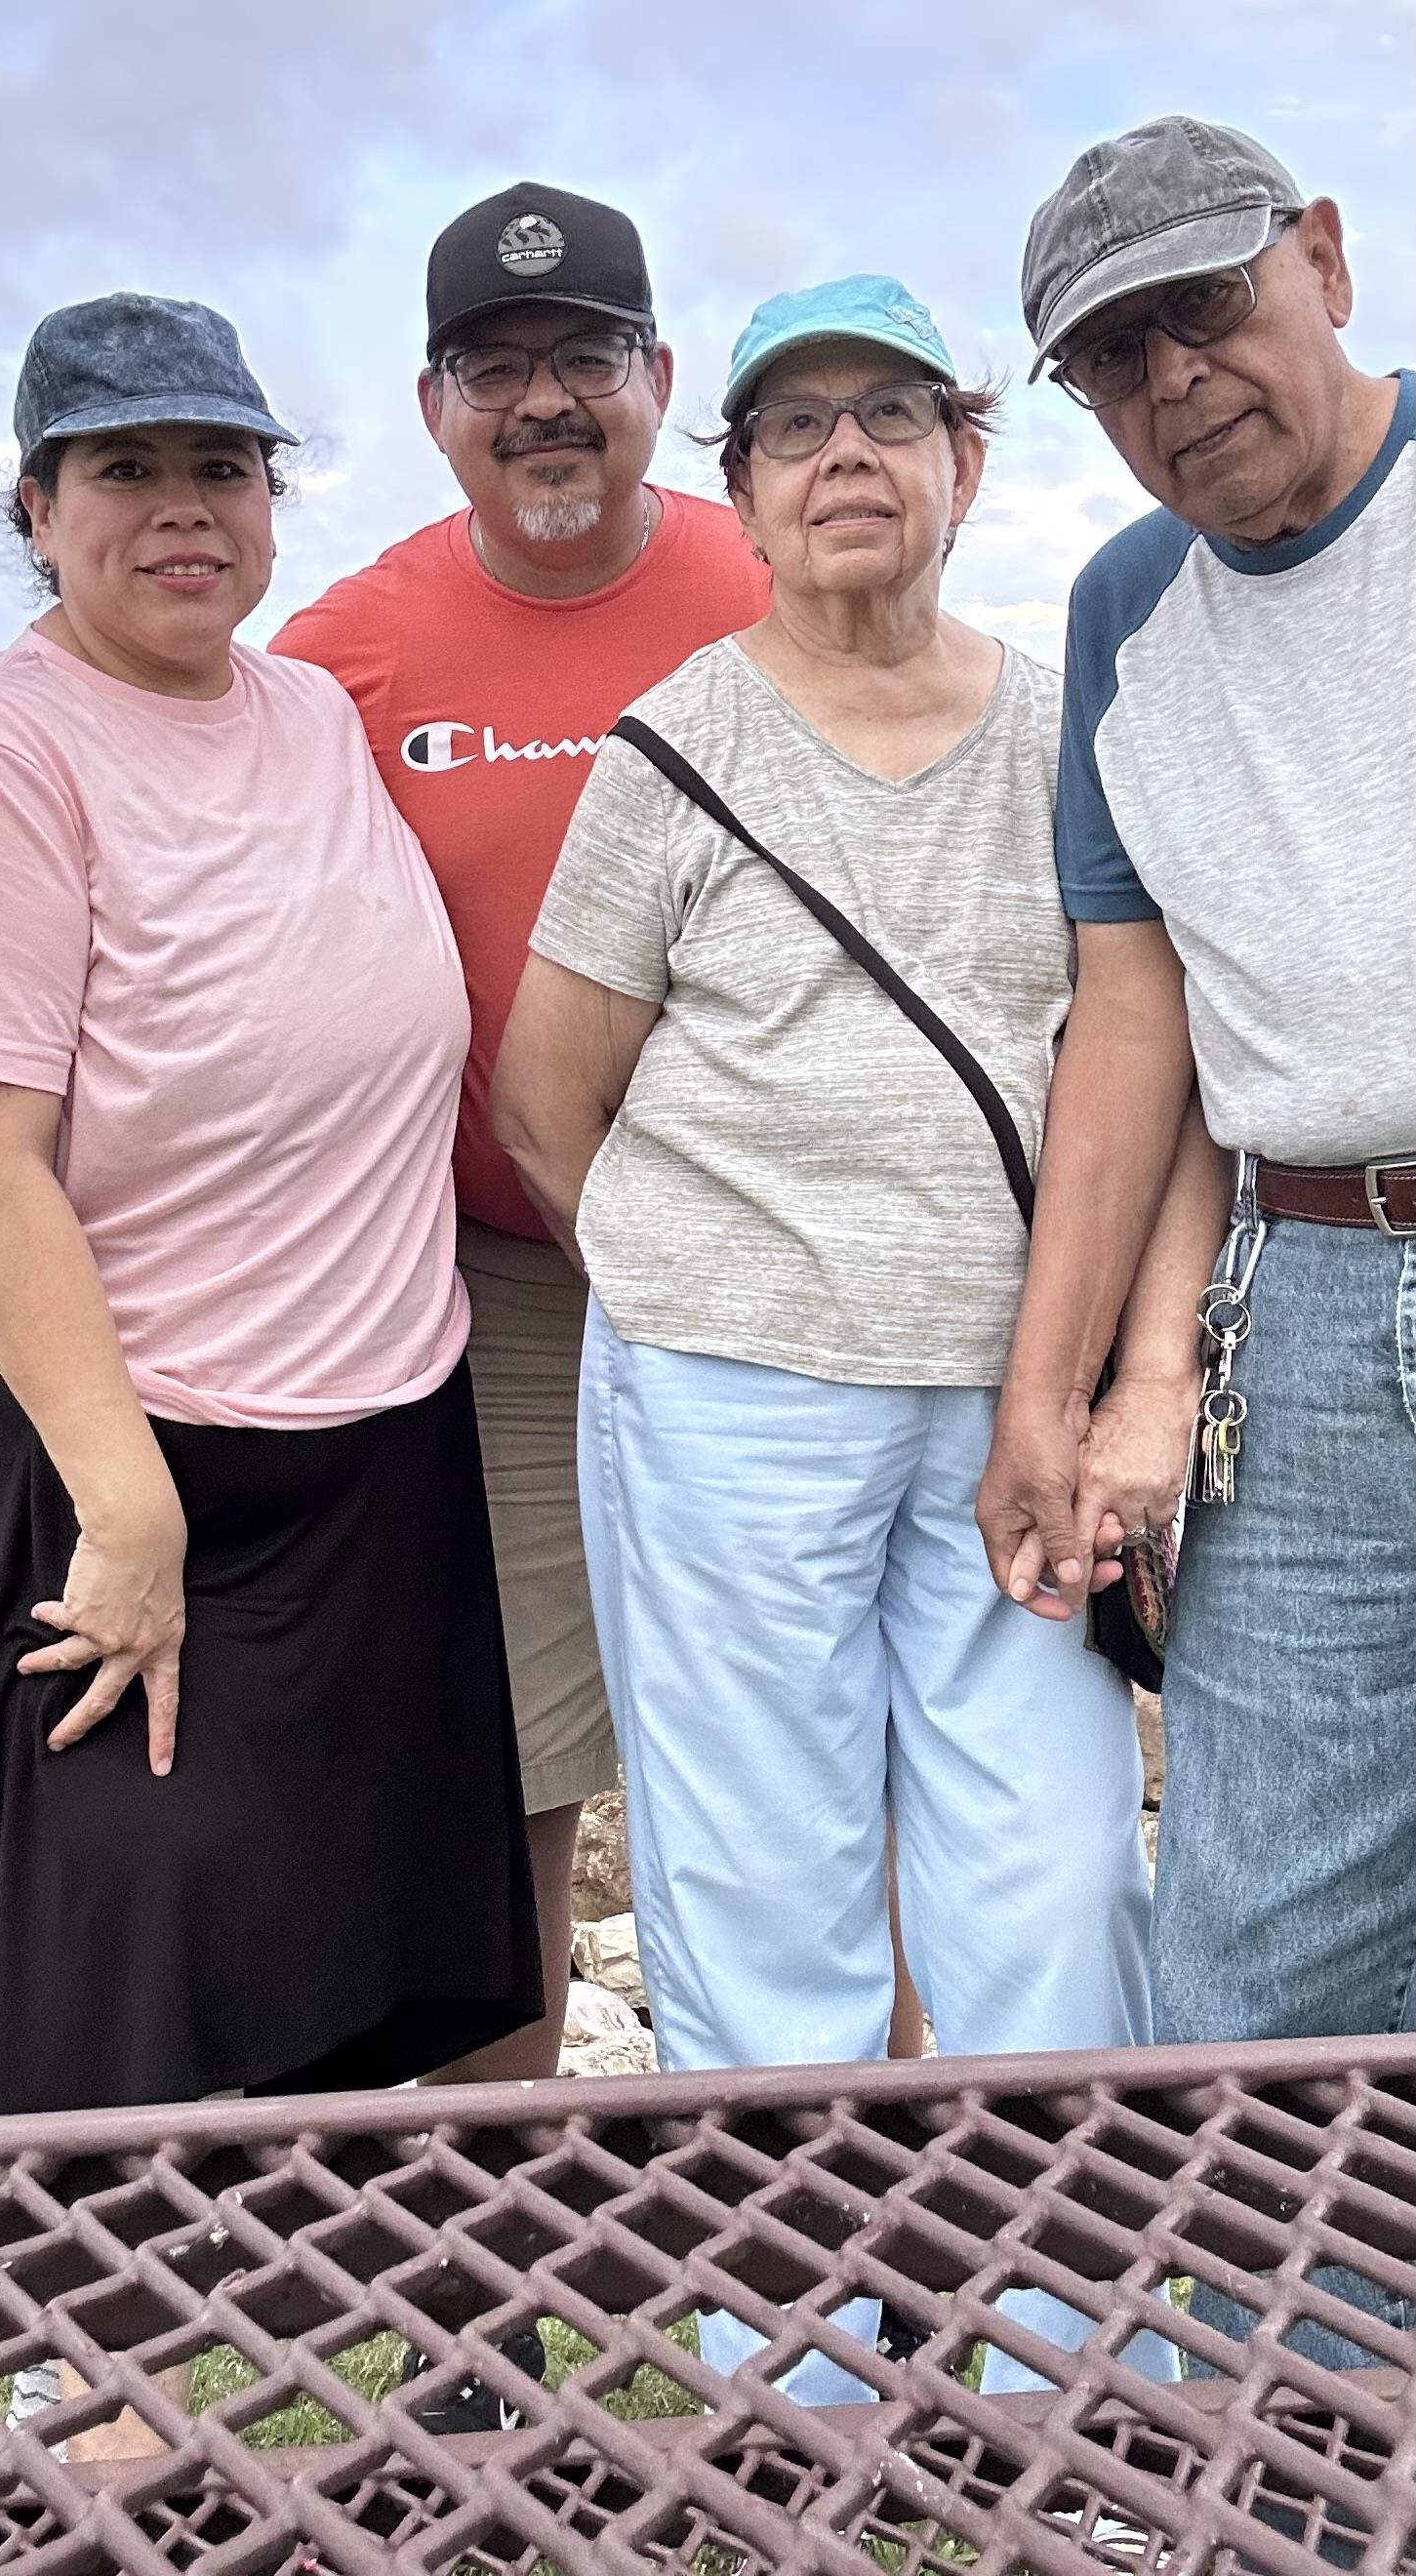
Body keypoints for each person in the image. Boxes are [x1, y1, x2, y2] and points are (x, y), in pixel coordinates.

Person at [493, 273, 1211, 2393]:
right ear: (736, 488)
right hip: (732, 1397)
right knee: (757, 1891)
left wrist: (1098, 1370)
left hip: (1018, 1402)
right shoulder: (669, 748)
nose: (842, 460)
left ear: (963, 461)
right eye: (790, 430)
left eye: (888, 417)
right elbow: (550, 1093)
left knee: (1050, 1874)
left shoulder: (1076, 716)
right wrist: (715, 1283)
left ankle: (1047, 2360)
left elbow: (1145, 1050)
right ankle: (789, 2374)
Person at [0, 290, 540, 2130]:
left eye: (221, 465)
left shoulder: (304, 711)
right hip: (93, 1439)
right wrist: (124, 1505)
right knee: (113, 1953)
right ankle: (95, 2391)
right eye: (123, 469)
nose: (182, 510)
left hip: (372, 1428)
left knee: (365, 1938)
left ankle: (429, 2329)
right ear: (37, 509)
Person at [978, 119, 1414, 2344]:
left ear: (1319, 258)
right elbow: (1126, 1013)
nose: (1174, 378)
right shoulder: (1118, 614)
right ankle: (1303, 2457)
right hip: (1313, 1292)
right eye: (1109, 358)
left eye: (1201, 308)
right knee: (1263, 1937)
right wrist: (1054, 1396)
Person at [272, 182, 769, 2078]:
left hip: (771, 1267)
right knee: (508, 1765)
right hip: (493, 1288)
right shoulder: (346, 652)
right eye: (497, 367)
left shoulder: (766, 582)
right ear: (430, 403)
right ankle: (487, 2292)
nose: (543, 402)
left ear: (656, 375)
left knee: (816, 1733)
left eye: (583, 360)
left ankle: (873, 2218)